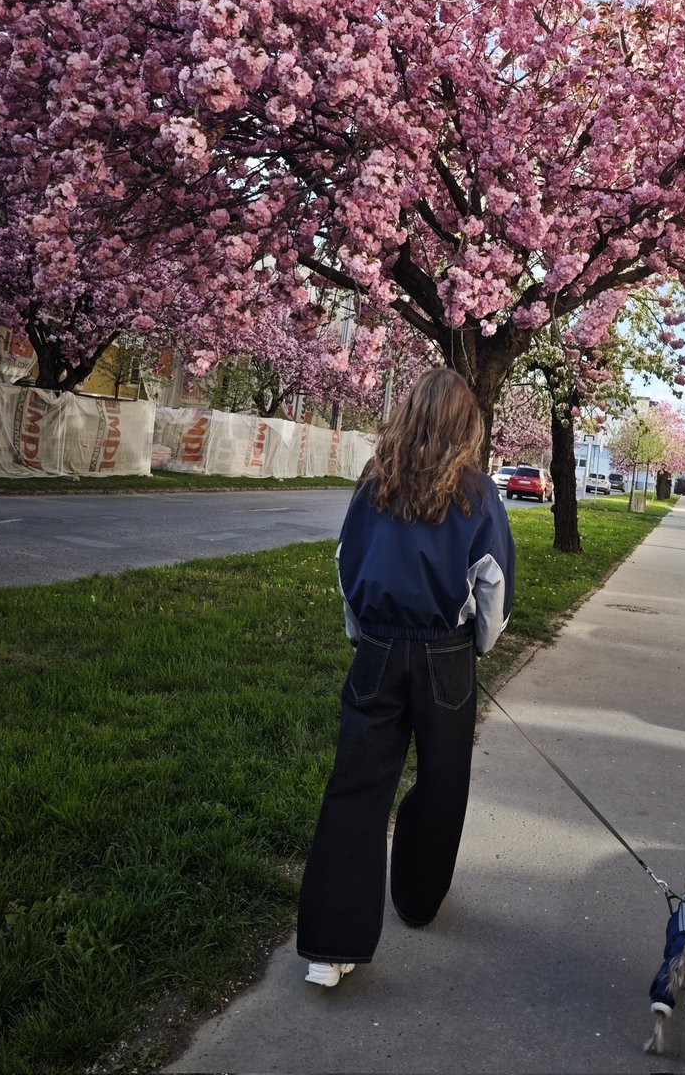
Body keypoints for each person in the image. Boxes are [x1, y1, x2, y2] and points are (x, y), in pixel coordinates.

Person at [296, 368, 516, 987]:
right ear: (464, 424)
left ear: (409, 415)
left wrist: (356, 632)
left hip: (378, 647)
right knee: (443, 781)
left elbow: (347, 562)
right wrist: (481, 643)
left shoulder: (375, 484)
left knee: (357, 786)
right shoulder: (476, 491)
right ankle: (417, 900)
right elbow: (492, 579)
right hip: (445, 654)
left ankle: (330, 948)